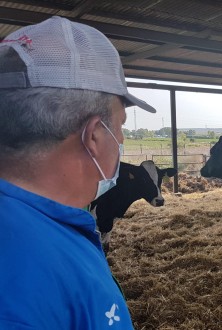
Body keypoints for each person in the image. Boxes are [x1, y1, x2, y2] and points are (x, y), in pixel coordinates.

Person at [0, 16, 156, 329]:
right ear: (95, 136)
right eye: (121, 125)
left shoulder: (46, 224)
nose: (122, 140)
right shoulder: (25, 292)